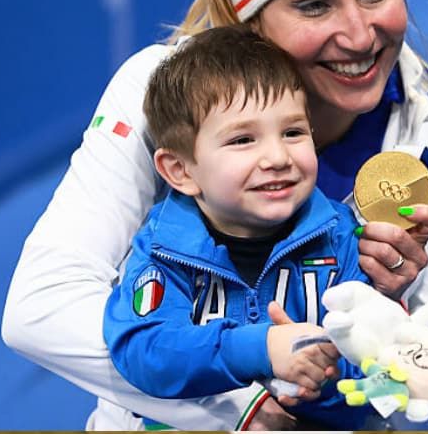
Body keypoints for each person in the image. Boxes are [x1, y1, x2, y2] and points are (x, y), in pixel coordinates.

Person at [2, 0, 428, 431]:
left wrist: (390, 311)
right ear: (246, 18)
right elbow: (40, 308)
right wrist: (241, 405)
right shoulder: (160, 93)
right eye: (314, 4)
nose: (359, 33)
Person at [103, 25, 370, 429]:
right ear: (180, 170)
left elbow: (366, 377)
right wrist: (259, 349)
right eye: (244, 140)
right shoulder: (164, 249)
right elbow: (146, 350)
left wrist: (319, 385)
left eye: (293, 132)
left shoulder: (339, 237)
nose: (278, 156)